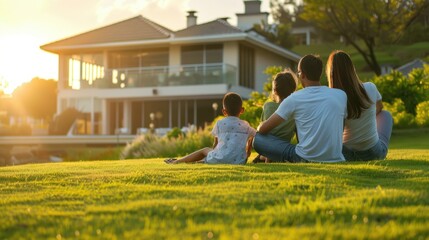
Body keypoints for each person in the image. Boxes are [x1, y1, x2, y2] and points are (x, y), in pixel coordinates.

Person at [253, 54, 347, 163]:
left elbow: (263, 129)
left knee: (258, 139)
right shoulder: (340, 95)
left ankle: (266, 157)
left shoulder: (294, 98)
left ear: (302, 74)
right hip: (336, 157)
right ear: (319, 73)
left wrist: (259, 126)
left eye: (298, 72)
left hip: (304, 158)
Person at [326, 50, 393, 161]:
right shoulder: (370, 87)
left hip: (346, 154)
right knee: (385, 115)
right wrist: (364, 117)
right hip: (373, 153)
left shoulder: (333, 100)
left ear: (331, 73)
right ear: (352, 69)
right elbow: (379, 107)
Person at [165, 92, 256, 164]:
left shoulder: (220, 123)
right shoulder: (246, 126)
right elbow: (254, 138)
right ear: (242, 110)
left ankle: (177, 161)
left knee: (205, 150)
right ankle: (202, 161)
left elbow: (215, 145)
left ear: (224, 111)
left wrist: (214, 156)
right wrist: (247, 154)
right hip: (239, 161)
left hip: (220, 158)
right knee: (210, 158)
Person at [253, 70, 297, 163]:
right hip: (283, 146)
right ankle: (267, 157)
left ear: (275, 91)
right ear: (293, 89)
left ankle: (264, 156)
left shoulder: (268, 106)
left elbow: (262, 129)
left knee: (258, 135)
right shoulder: (295, 110)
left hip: (267, 145)